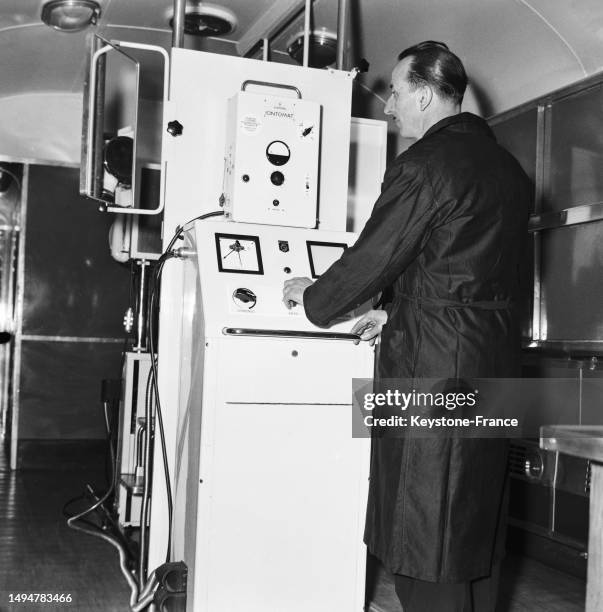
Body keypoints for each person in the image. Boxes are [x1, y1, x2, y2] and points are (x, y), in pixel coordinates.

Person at [282, 41, 531, 611]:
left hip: (433, 367)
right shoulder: (510, 171)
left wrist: (314, 296)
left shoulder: (424, 164)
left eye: (395, 92)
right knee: (473, 524)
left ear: (422, 94)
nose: (389, 106)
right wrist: (395, 310)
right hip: (492, 360)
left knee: (425, 527)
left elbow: (375, 257)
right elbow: (471, 273)